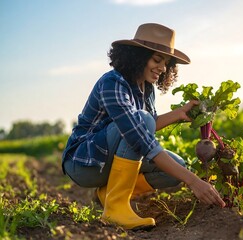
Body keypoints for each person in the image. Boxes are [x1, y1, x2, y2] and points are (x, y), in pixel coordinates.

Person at [61, 23, 226, 231]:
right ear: (137, 56)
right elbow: (139, 136)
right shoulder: (112, 82)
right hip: (85, 163)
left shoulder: (146, 88)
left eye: (166, 63)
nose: (163, 68)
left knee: (177, 168)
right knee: (143, 122)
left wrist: (179, 114)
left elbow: (144, 126)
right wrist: (194, 182)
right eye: (157, 60)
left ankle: (108, 194)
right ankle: (116, 207)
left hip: (108, 159)